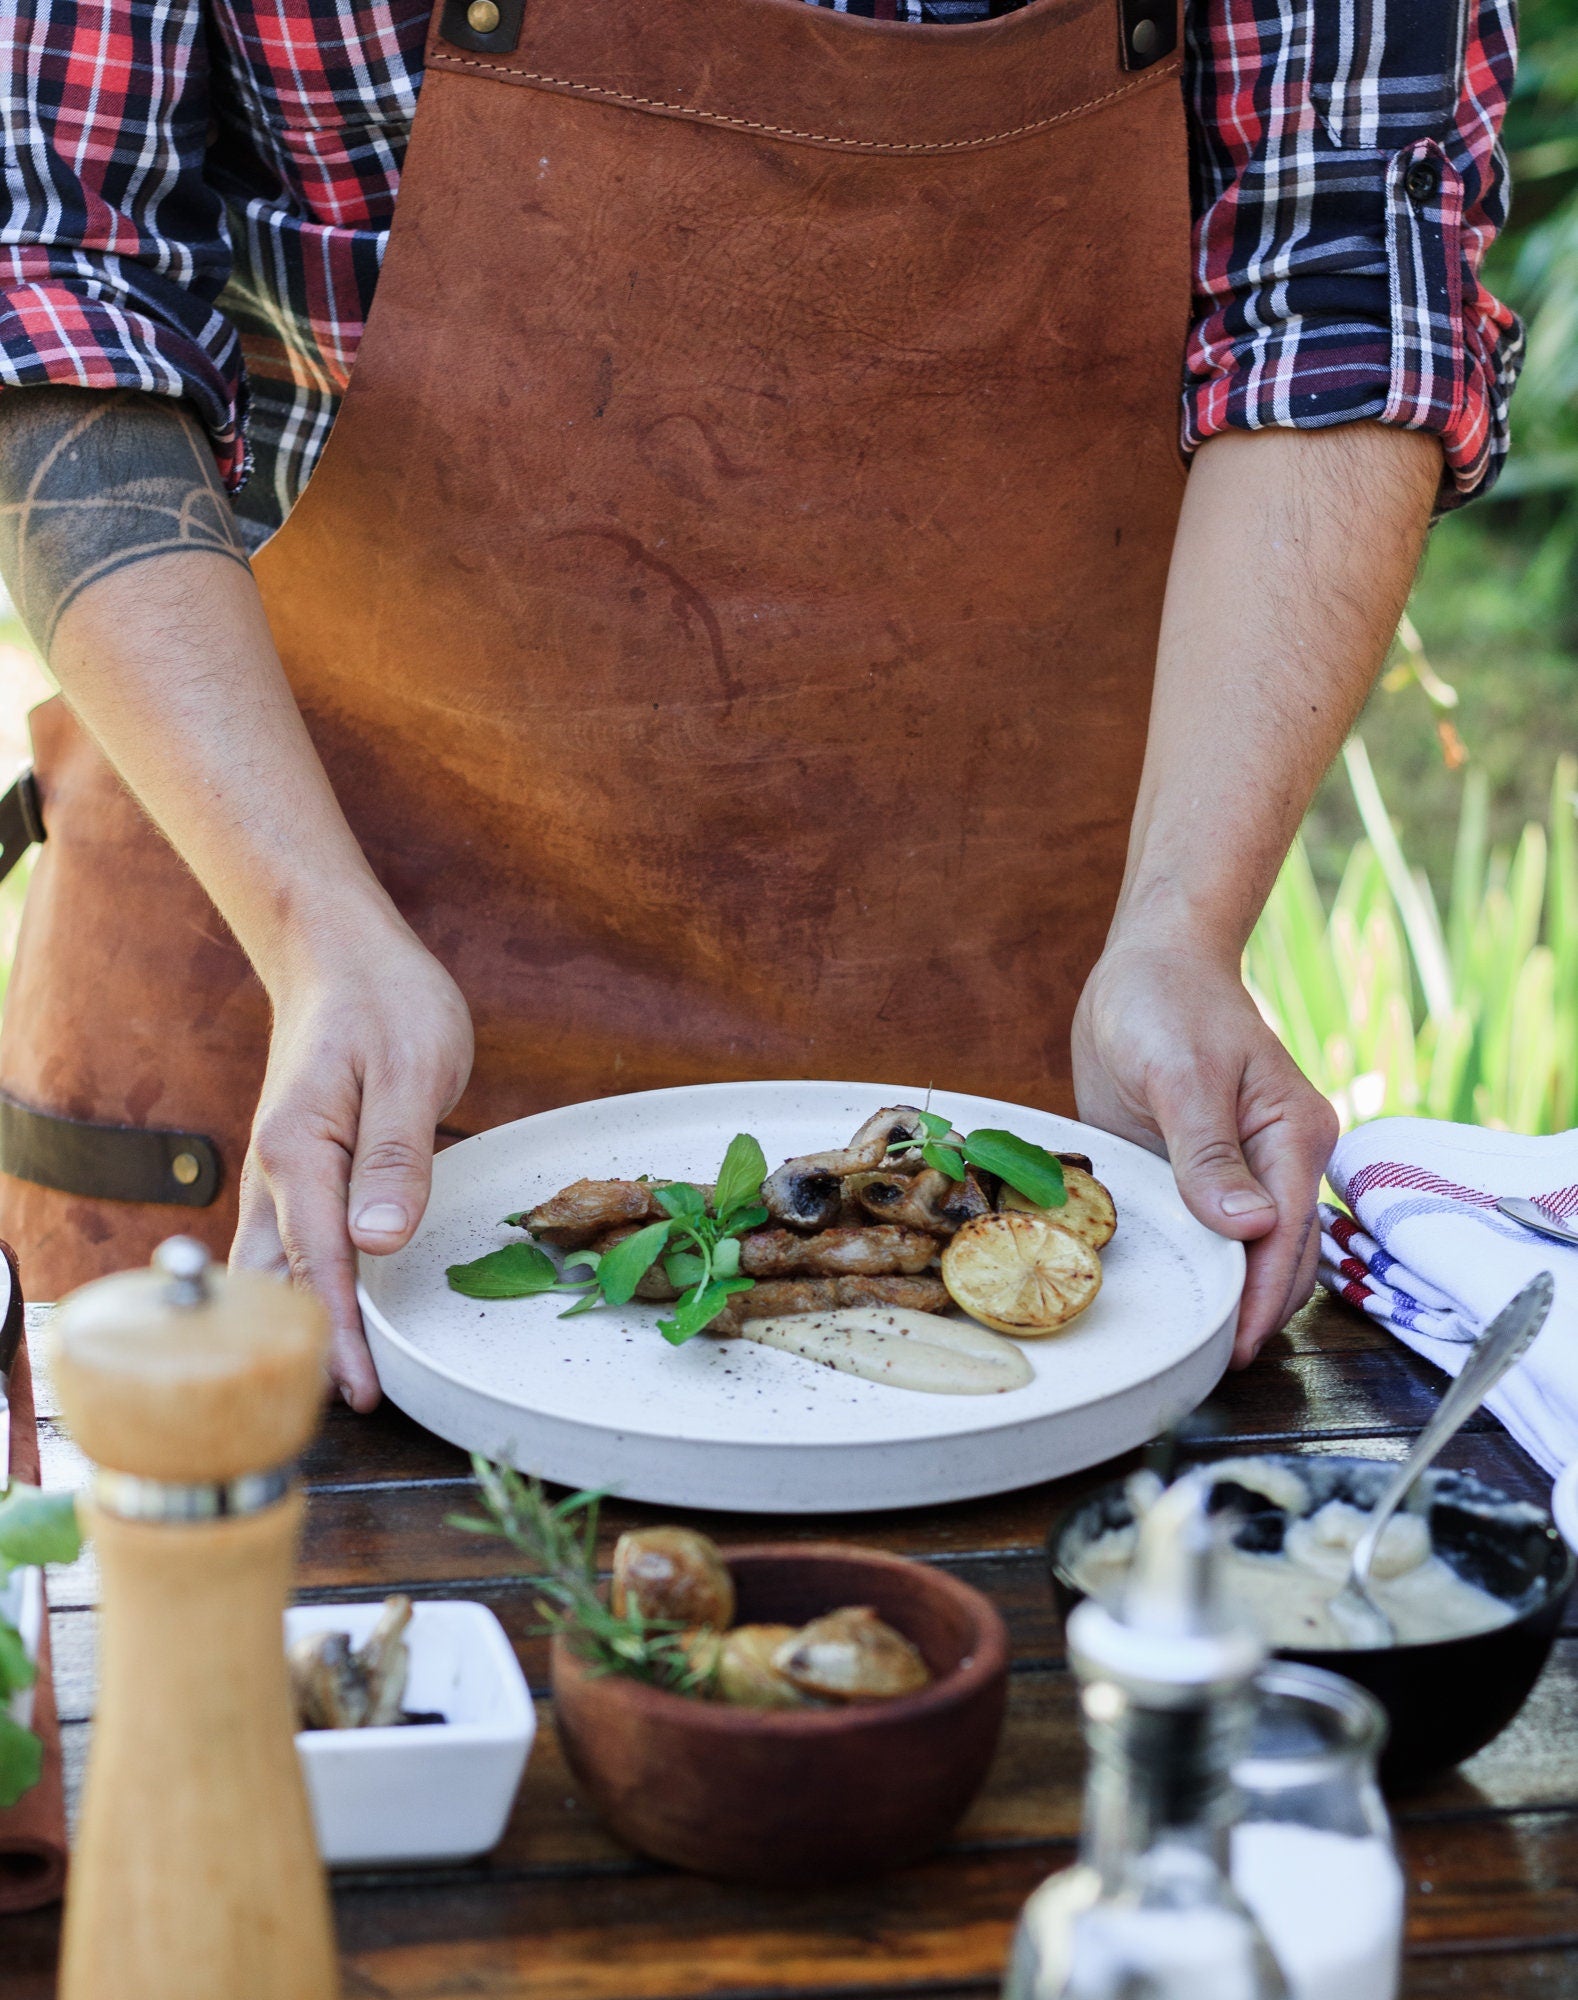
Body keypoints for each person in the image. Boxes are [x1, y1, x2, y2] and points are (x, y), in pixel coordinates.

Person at [0, 0, 1519, 1408]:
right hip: (288, 993)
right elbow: (53, 278)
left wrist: (1182, 930)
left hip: (1002, 1072)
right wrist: (308, 928)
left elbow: (1338, 288)